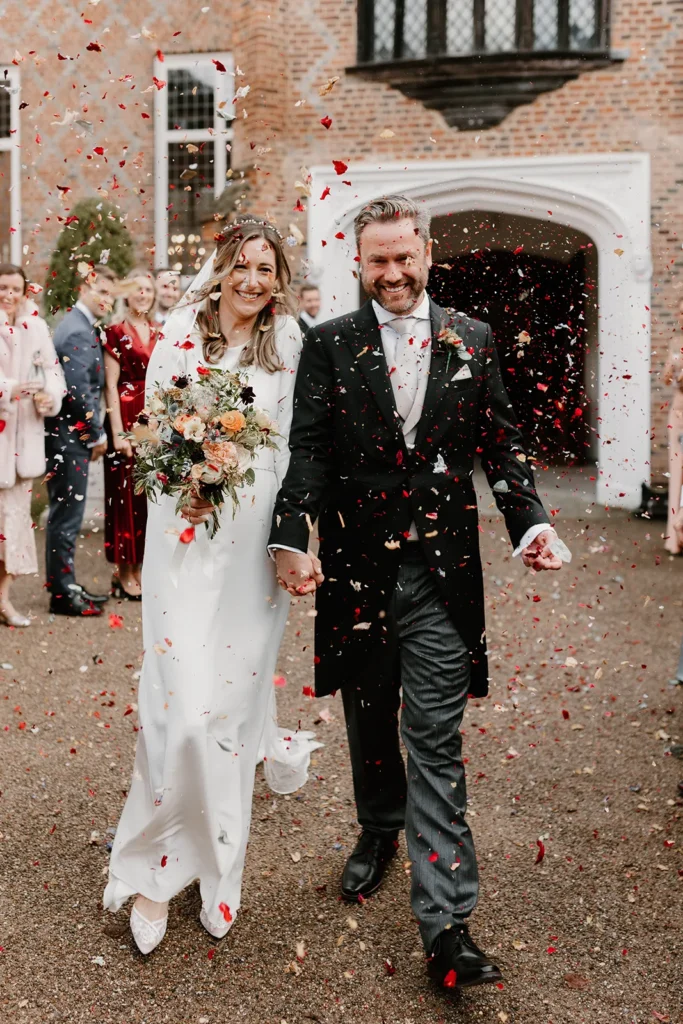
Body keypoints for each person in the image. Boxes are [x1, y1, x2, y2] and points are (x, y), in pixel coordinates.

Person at [269, 195, 567, 993]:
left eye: (405, 258)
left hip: (442, 574)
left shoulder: (472, 337)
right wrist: (293, 537)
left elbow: (500, 444)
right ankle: (376, 829)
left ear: (427, 254)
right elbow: (307, 451)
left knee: (433, 739)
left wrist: (529, 522)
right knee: (369, 714)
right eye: (378, 260)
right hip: (359, 567)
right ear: (357, 263)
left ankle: (446, 926)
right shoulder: (328, 344)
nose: (392, 273)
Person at [103, 217, 321, 955]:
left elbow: (299, 447)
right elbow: (155, 432)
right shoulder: (178, 333)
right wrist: (182, 482)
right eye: (243, 266)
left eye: (267, 269)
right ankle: (153, 871)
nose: (254, 281)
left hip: (252, 547)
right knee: (176, 714)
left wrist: (293, 540)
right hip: (182, 535)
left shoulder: (290, 343)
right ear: (222, 266)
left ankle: (216, 866)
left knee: (224, 716)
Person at [45, 265, 116, 616]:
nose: (107, 299)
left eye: (111, 294)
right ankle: (61, 593)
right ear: (84, 288)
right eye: (102, 291)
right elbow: (78, 393)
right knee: (67, 517)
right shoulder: (75, 331)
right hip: (67, 438)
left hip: (71, 437)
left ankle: (67, 583)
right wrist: (96, 435)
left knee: (67, 514)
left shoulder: (82, 326)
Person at [0, 265, 64, 626]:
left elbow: (54, 372)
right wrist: (9, 388)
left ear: (26, 292)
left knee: (14, 527)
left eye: (15, 289)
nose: (9, 295)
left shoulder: (36, 327)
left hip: (24, 443)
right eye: (2, 288)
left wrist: (48, 397)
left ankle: (4, 599)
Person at [104, 269, 158, 599]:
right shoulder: (114, 332)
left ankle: (141, 568)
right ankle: (123, 571)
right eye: (138, 289)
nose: (144, 294)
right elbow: (110, 384)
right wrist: (118, 433)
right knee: (123, 495)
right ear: (127, 293)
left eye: (148, 290)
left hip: (150, 419)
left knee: (146, 496)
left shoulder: (159, 332)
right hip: (125, 415)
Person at [663, 298, 683, 554]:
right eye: (679, 313)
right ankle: (674, 538)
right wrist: (673, 371)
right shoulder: (676, 343)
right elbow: (667, 378)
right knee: (676, 475)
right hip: (678, 415)